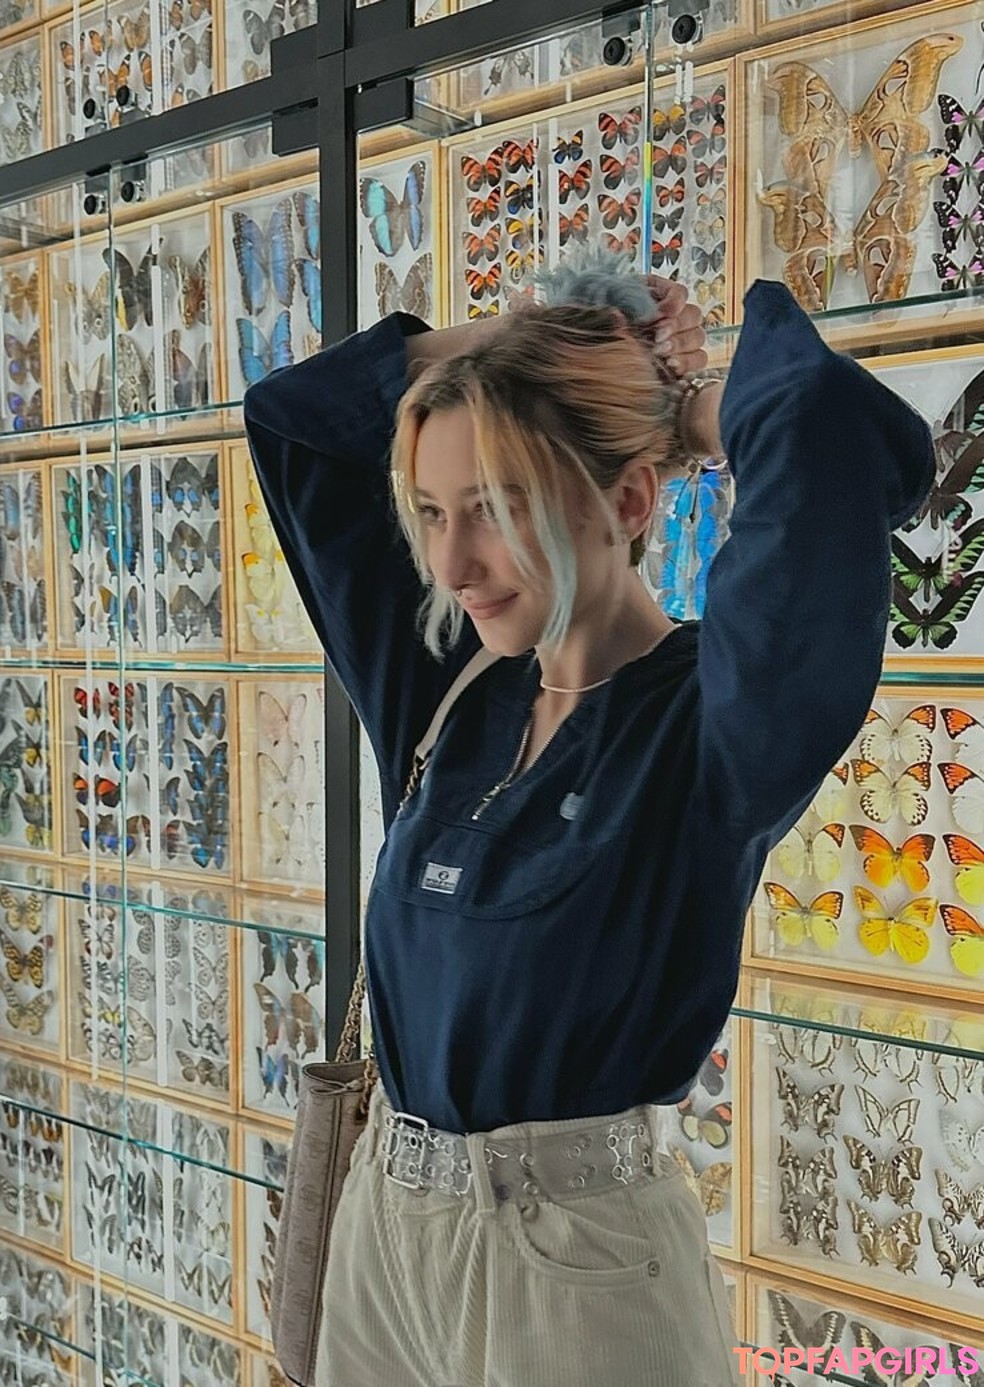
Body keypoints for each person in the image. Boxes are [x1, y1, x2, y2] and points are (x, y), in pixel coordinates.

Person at [244, 262, 934, 1387]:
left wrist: (677, 413)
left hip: (573, 1267)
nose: (452, 564)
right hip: (381, 1239)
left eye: (495, 509)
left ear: (627, 504)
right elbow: (295, 419)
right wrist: (528, 336)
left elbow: (816, 421)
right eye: (434, 513)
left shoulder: (717, 724)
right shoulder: (450, 692)